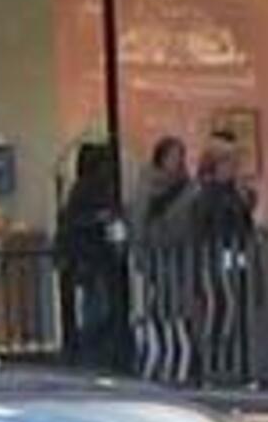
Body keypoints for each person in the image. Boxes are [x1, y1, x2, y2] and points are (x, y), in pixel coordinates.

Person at [56, 142, 127, 372]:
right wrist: (100, 219)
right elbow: (77, 224)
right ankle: (93, 352)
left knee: (97, 306)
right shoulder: (89, 190)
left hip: (92, 259)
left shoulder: (83, 190)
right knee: (98, 308)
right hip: (92, 259)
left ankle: (93, 351)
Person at [136, 137, 191, 240]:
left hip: (179, 235)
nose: (177, 160)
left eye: (180, 156)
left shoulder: (184, 181)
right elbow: (141, 210)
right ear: (161, 157)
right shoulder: (149, 179)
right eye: (172, 156)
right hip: (154, 234)